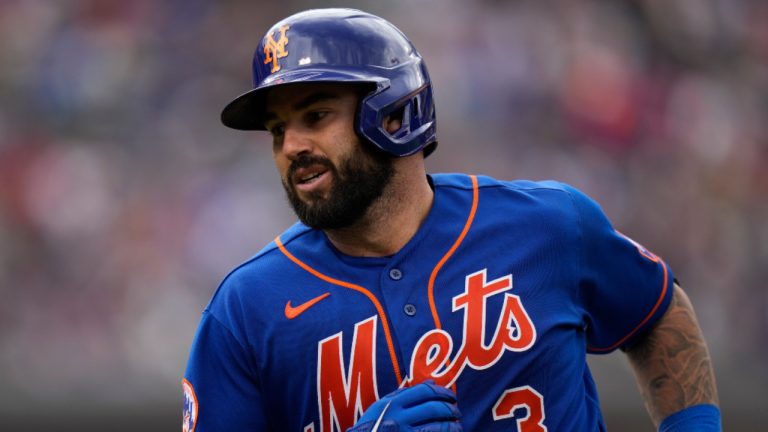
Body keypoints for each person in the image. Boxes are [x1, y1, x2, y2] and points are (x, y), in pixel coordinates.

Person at [183, 8, 721, 432]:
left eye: (316, 116)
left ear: (394, 113)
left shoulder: (549, 226)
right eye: (278, 130)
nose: (291, 146)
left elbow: (656, 311)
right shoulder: (246, 309)